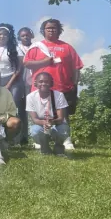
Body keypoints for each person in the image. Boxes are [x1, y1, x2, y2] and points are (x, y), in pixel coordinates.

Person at [23, 18, 82, 152]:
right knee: (39, 115)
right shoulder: (37, 47)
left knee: (63, 115)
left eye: (54, 28)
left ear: (59, 30)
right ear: (43, 31)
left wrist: (75, 82)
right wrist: (44, 61)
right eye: (48, 28)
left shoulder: (67, 47)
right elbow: (26, 63)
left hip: (62, 87)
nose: (51, 30)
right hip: (41, 88)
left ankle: (66, 140)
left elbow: (77, 66)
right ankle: (39, 141)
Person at [26, 72, 72, 156]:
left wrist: (51, 122)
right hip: (40, 124)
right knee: (35, 131)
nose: (43, 83)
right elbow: (35, 119)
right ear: (35, 83)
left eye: (46, 81)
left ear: (51, 83)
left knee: (63, 130)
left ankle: (59, 146)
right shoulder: (30, 97)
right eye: (41, 81)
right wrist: (44, 123)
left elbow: (61, 118)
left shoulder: (58, 95)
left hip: (56, 123)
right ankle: (45, 146)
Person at [16, 26, 35, 144]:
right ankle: (22, 137)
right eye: (23, 35)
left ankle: (34, 137)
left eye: (27, 35)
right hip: (19, 81)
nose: (25, 37)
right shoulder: (16, 48)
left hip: (32, 81)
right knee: (20, 110)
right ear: (19, 37)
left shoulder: (36, 47)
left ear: (31, 35)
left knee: (32, 108)